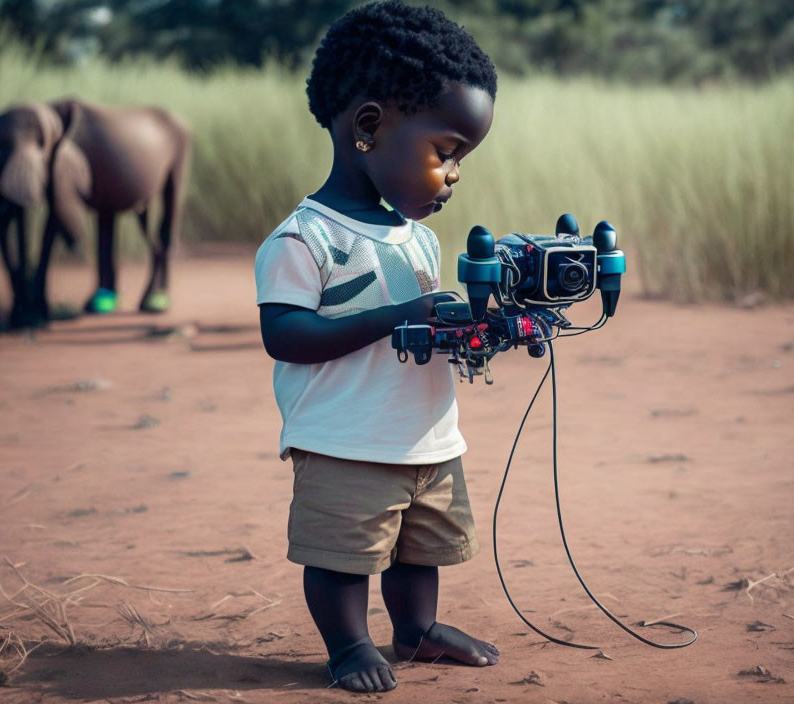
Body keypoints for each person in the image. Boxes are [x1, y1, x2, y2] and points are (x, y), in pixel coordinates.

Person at [254, 1, 498, 693]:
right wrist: (400, 315)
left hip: (427, 436)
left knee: (419, 550)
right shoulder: (303, 239)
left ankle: (416, 630)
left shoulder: (419, 238)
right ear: (369, 127)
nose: (454, 174)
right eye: (446, 152)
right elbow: (286, 336)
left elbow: (419, 327)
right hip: (345, 440)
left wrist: (471, 332)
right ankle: (350, 643)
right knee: (343, 556)